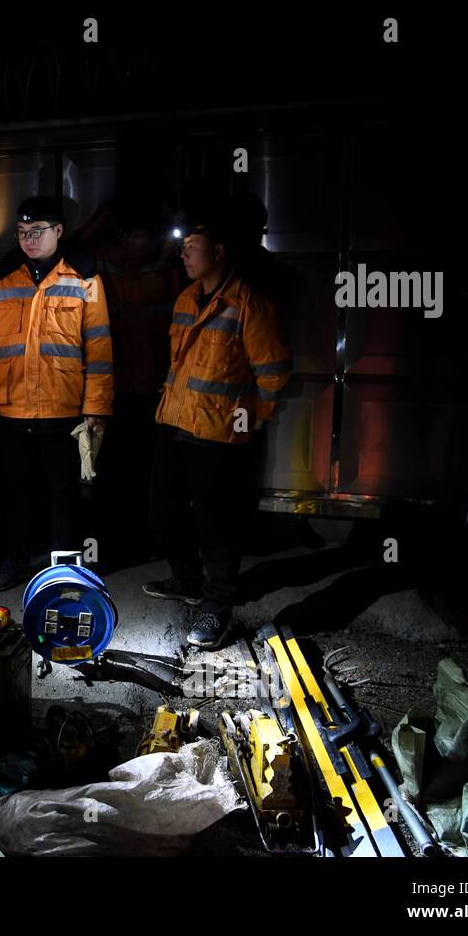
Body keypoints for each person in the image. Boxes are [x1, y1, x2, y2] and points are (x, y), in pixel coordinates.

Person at [145, 216, 291, 650]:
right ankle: (189, 581)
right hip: (174, 422)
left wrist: (248, 418)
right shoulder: (187, 299)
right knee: (163, 511)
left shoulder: (250, 305)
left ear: (220, 250)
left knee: (217, 525)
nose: (184, 253)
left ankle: (217, 607)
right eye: (182, 245)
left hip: (218, 434)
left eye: (193, 244)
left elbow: (275, 375)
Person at [0, 196, 113, 591]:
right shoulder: (3, 278)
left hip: (62, 409)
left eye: (37, 232)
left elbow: (99, 349)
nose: (28, 240)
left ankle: (63, 572)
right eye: (22, 232)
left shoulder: (85, 278)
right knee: (15, 493)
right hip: (10, 409)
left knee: (63, 496)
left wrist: (96, 408)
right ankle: (14, 563)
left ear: (58, 232)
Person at [90, 201, 185, 569]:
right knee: (112, 471)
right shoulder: (101, 263)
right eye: (132, 236)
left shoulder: (169, 267)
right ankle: (110, 545)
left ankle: (143, 541)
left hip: (155, 388)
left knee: (148, 472)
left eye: (144, 236)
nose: (138, 244)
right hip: (115, 387)